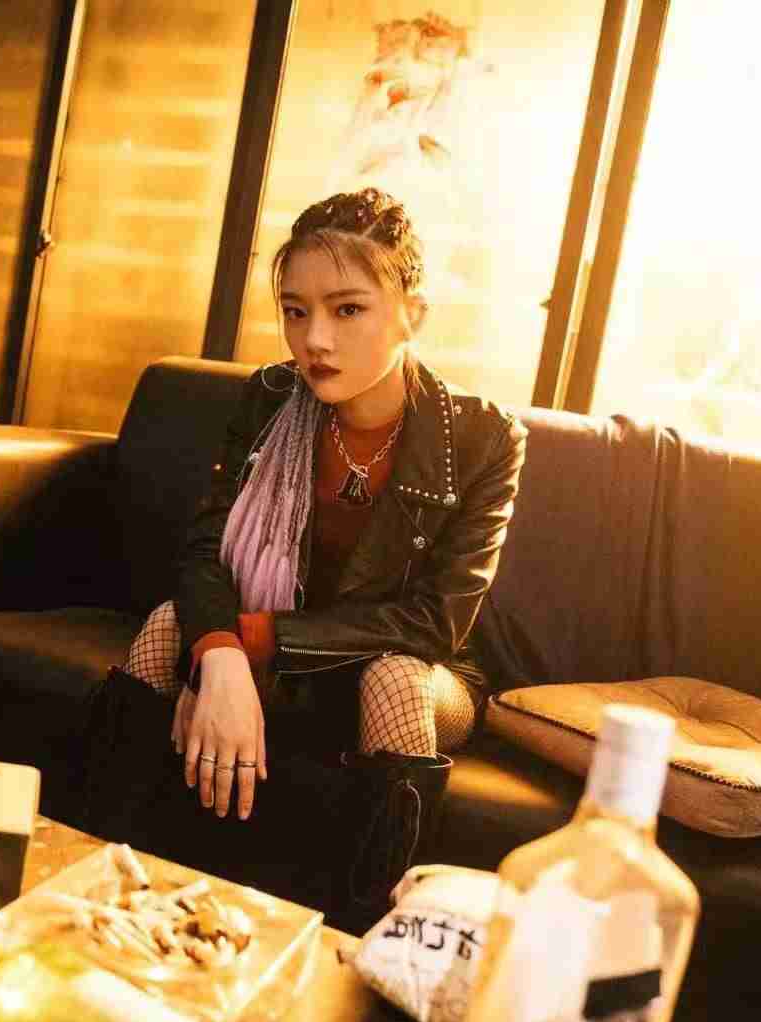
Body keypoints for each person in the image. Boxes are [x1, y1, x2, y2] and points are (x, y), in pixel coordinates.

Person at [120, 187, 527, 829]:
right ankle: (100, 863)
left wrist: (253, 639)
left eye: (347, 310)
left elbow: (432, 624)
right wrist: (220, 655)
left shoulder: (484, 439)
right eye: (295, 311)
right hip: (283, 654)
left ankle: (374, 896)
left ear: (412, 315)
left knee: (395, 680)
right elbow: (205, 550)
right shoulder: (269, 397)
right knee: (171, 624)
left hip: (413, 672)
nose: (314, 339)